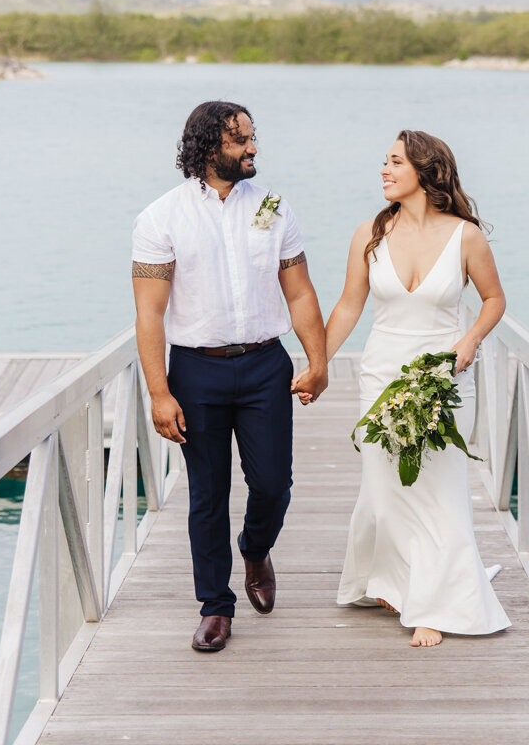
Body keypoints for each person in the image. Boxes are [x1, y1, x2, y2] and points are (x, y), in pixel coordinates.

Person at [131, 100, 328, 653]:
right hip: (196, 371)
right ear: (208, 146)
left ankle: (256, 546)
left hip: (267, 365)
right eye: (241, 140)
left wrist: (318, 362)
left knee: (272, 485)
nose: (253, 148)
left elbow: (300, 291)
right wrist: (158, 391)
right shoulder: (160, 217)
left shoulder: (274, 207)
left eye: (252, 137)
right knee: (207, 494)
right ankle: (216, 606)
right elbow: (149, 312)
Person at [309, 129, 511, 647]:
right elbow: (350, 305)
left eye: (395, 162)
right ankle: (390, 581)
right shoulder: (369, 234)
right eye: (385, 161)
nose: (384, 170)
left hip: (443, 376)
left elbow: (493, 300)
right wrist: (318, 364)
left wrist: (469, 341)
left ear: (425, 170)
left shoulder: (465, 236)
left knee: (439, 490)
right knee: (384, 490)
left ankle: (434, 604)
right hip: (381, 373)